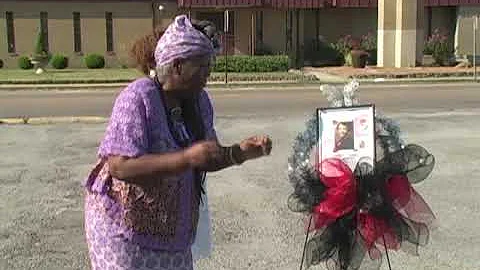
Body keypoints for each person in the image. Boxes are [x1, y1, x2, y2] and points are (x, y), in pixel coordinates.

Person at [83, 15, 272, 270]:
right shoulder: (138, 97)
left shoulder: (199, 101)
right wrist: (186, 159)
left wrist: (239, 153)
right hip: (123, 228)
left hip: (169, 231)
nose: (209, 74)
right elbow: (120, 166)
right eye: (203, 67)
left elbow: (206, 157)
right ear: (178, 66)